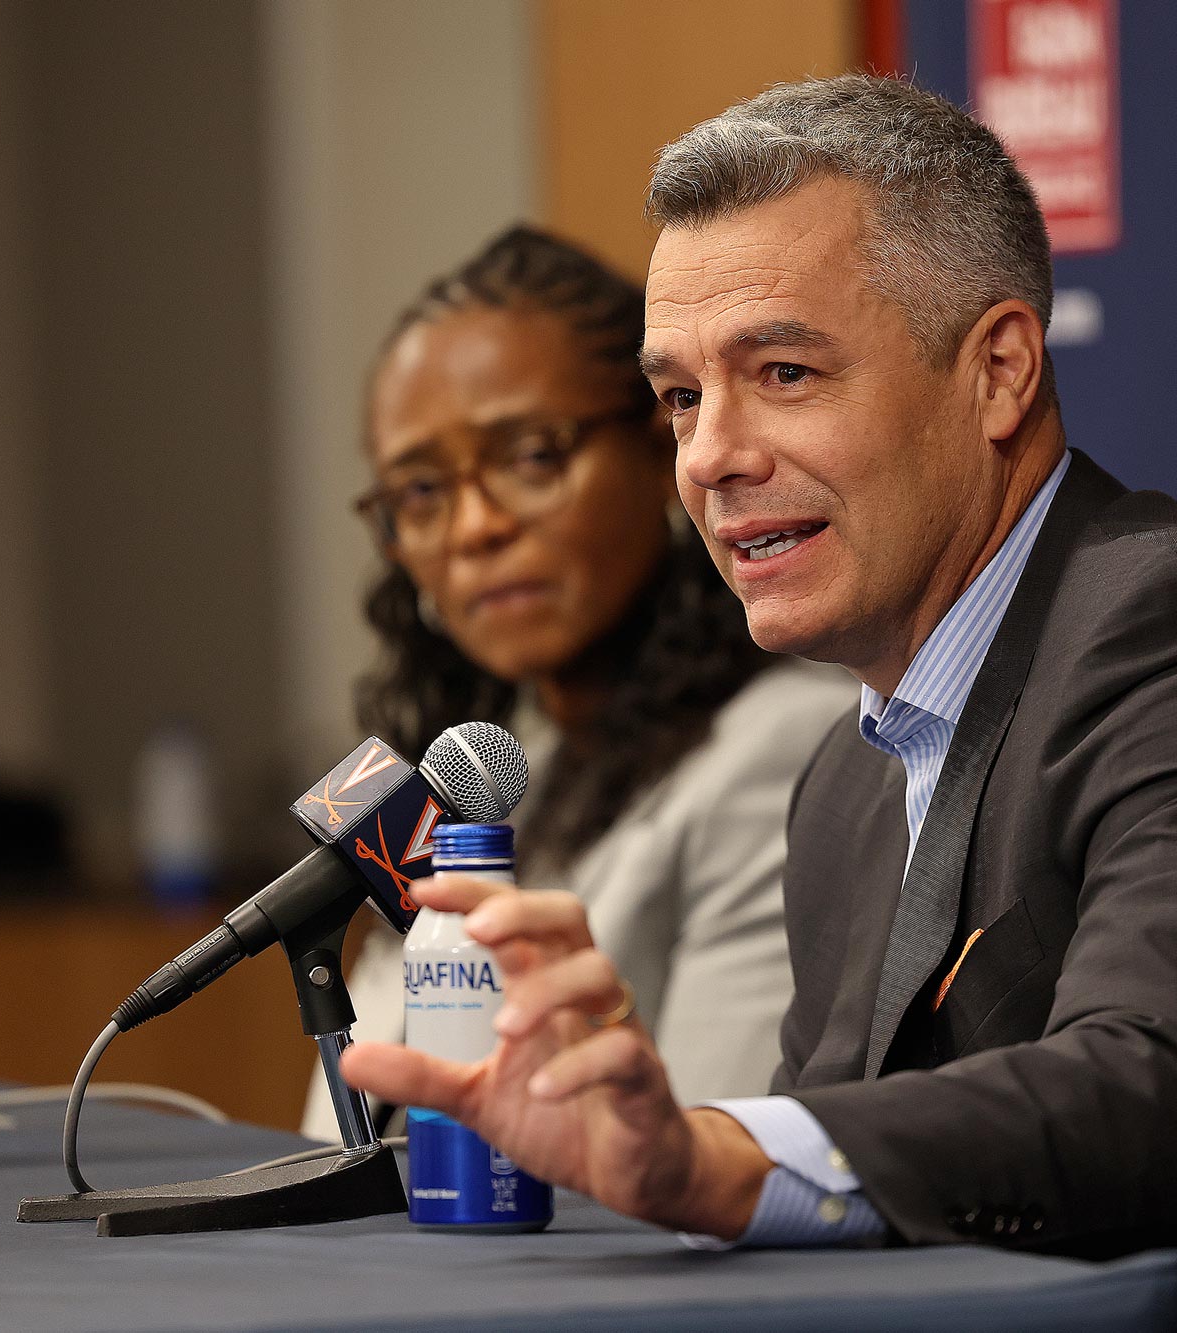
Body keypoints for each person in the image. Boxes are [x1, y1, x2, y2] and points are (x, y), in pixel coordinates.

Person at [343, 78, 1177, 1330]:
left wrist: (714, 1154)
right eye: (680, 398)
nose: (711, 455)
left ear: (996, 373)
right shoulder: (844, 783)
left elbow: (1171, 1091)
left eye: (781, 371)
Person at [302, 226, 854, 1138]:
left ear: (660, 446)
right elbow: (337, 1132)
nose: (475, 527)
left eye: (531, 457)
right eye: (423, 492)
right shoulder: (493, 773)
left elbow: (713, 1153)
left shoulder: (787, 752)